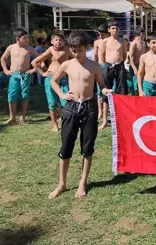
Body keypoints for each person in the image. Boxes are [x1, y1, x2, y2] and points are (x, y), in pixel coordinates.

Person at [48, 30, 112, 200]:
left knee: (87, 147)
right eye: (74, 50)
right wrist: (62, 95)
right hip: (71, 107)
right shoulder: (67, 65)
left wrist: (106, 90)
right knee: (66, 146)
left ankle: (83, 181)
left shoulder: (95, 66)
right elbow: (53, 81)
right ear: (70, 49)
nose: (77, 54)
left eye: (80, 50)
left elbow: (101, 85)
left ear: (87, 48)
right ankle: (62, 183)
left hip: (89, 108)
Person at [31, 32, 71, 132]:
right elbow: (34, 62)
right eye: (56, 40)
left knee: (67, 102)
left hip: (63, 79)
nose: (58, 42)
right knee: (52, 103)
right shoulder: (50, 50)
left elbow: (59, 57)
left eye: (60, 40)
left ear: (64, 41)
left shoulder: (66, 49)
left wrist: (52, 49)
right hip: (51, 78)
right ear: (52, 41)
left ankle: (67, 122)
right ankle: (54, 124)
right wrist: (42, 72)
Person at [0, 28, 40, 125]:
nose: (27, 40)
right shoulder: (11, 47)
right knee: (11, 96)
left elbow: (39, 58)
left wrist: (34, 69)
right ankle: (12, 117)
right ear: (17, 38)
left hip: (25, 75)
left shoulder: (29, 48)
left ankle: (22, 117)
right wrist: (5, 70)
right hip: (14, 74)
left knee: (24, 95)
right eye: (24, 38)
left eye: (27, 38)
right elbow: (3, 58)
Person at [99, 20, 128, 130]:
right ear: (109, 30)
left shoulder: (123, 41)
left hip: (119, 66)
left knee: (122, 92)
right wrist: (108, 65)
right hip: (108, 66)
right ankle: (105, 120)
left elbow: (124, 55)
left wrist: (119, 64)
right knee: (106, 92)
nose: (115, 30)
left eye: (117, 28)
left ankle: (122, 119)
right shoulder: (105, 41)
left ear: (119, 29)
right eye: (113, 28)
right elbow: (102, 56)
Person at [93, 24, 109, 125]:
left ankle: (108, 112)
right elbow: (95, 55)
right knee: (100, 92)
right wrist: (94, 67)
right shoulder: (97, 42)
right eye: (99, 34)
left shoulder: (110, 41)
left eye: (103, 34)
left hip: (109, 66)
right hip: (100, 66)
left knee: (109, 90)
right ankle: (100, 111)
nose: (101, 36)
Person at [127, 26, 147, 95]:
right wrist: (134, 68)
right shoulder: (133, 44)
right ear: (141, 34)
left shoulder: (144, 43)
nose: (145, 35)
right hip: (135, 66)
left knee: (142, 85)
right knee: (135, 86)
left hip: (143, 67)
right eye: (144, 33)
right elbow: (130, 58)